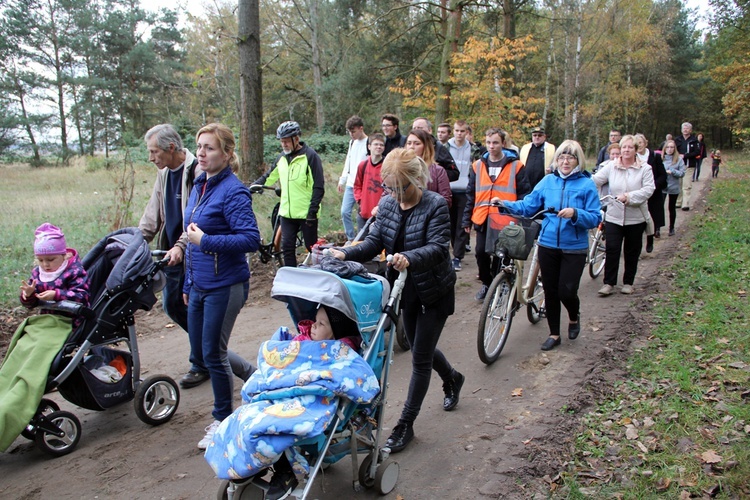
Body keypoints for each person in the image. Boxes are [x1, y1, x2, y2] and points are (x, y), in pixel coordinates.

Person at [328, 148, 464, 454]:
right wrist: (345, 253)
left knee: (419, 358)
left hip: (433, 291)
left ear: (416, 179)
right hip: (404, 290)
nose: (395, 194)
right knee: (420, 348)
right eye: (389, 187)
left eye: (400, 187)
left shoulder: (436, 204)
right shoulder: (388, 204)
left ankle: (406, 424)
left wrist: (408, 258)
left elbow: (440, 247)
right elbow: (375, 241)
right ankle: (453, 377)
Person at [140, 124, 251, 390]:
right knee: (179, 311)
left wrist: (190, 244)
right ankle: (220, 362)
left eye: (154, 151)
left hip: (211, 268)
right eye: (200, 146)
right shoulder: (165, 174)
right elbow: (154, 214)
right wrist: (134, 241)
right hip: (183, 259)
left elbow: (239, 235)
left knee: (212, 348)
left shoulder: (202, 173)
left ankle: (213, 373)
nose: (151, 158)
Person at [184, 123, 261, 450]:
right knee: (203, 351)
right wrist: (187, 278)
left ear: (228, 154)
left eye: (210, 147)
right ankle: (255, 377)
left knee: (213, 354)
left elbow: (251, 239)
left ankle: (223, 419)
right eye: (199, 146)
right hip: (200, 282)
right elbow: (189, 234)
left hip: (225, 284)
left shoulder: (233, 190)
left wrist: (207, 241)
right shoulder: (199, 183)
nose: (201, 152)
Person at [499, 141, 601, 351]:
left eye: (570, 157)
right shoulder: (547, 181)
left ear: (577, 160)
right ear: (556, 160)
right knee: (551, 291)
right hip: (547, 244)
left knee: (567, 291)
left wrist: (576, 213)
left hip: (574, 246)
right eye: (562, 157)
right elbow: (529, 205)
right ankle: (554, 334)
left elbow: (594, 217)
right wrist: (504, 203)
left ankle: (573, 316)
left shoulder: (586, 184)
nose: (565, 161)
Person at [463, 128, 530, 301]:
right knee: (480, 253)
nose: (491, 146)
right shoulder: (478, 165)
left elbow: (524, 194)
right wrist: (466, 220)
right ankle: (487, 283)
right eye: (488, 142)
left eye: (495, 143)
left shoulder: (516, 166)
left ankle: (500, 286)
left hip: (506, 219)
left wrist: (520, 214)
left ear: (503, 144)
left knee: (502, 255)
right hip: (483, 217)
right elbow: (470, 194)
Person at [252, 121, 325, 267]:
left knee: (312, 248)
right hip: (286, 213)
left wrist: (312, 211)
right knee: (287, 247)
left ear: (296, 139)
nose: (284, 145)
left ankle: (320, 274)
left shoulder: (310, 157)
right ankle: (292, 277)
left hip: (306, 213)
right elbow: (269, 176)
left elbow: (318, 186)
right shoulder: (282, 158)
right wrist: (254, 186)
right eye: (281, 142)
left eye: (286, 141)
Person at [592, 135, 655, 296]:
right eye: (624, 147)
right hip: (614, 215)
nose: (626, 150)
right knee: (612, 249)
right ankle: (609, 283)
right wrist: (578, 181)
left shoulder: (645, 168)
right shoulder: (611, 166)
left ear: (636, 150)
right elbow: (597, 180)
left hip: (636, 217)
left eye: (630, 147)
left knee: (631, 251)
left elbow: (649, 189)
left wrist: (629, 197)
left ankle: (628, 282)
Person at [20, 223, 89, 327]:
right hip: (47, 321)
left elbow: (82, 297)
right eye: (40, 260)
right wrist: (29, 295)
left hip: (71, 322)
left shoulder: (75, 272)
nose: (45, 264)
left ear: (64, 255)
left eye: (51, 260)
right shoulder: (37, 273)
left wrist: (56, 295)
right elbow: (30, 305)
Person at [338, 116, 369, 242]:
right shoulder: (352, 143)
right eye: (349, 132)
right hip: (351, 184)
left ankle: (364, 240)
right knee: (344, 212)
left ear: (361, 129)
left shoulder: (368, 143)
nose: (351, 134)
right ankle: (351, 239)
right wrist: (342, 180)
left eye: (353, 131)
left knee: (363, 214)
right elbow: (348, 162)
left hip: (364, 185)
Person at [447, 120, 473, 271]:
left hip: (465, 190)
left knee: (462, 225)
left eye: (462, 131)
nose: (459, 134)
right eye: (457, 130)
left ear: (466, 132)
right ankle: (451, 250)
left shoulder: (473, 149)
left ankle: (457, 256)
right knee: (450, 223)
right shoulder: (445, 147)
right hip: (449, 189)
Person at [635, 133, 666, 252]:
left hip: (654, 192)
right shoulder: (633, 158)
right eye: (636, 144)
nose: (639, 145)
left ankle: (651, 238)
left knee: (652, 217)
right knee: (641, 218)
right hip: (638, 192)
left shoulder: (654, 156)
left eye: (640, 143)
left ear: (645, 143)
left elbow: (662, 175)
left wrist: (653, 186)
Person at [405, 128, 452, 207]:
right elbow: (387, 192)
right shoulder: (400, 167)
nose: (411, 147)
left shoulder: (438, 171)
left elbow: (446, 200)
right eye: (409, 143)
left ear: (425, 146)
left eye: (417, 143)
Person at [353, 133, 386, 230]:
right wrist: (360, 200)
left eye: (381, 145)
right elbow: (357, 185)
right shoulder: (363, 165)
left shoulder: (387, 166)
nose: (379, 147)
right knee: (361, 243)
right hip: (363, 214)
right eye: (376, 144)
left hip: (380, 215)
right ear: (369, 146)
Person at [661, 140, 686, 236]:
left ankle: (671, 227)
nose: (669, 149)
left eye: (672, 147)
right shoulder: (660, 158)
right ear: (664, 148)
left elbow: (682, 173)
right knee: (660, 208)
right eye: (667, 147)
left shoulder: (678, 159)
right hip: (662, 187)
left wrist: (672, 171)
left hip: (673, 186)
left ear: (674, 149)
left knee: (671, 208)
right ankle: (657, 228)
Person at [674, 122, 700, 210]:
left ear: (690, 130)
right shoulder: (677, 140)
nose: (685, 130)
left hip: (689, 165)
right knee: (679, 184)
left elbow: (697, 152)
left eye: (687, 128)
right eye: (684, 128)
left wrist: (685, 155)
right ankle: (678, 202)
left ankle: (685, 204)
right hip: (678, 166)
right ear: (681, 130)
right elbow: (672, 150)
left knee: (686, 185)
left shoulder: (694, 140)